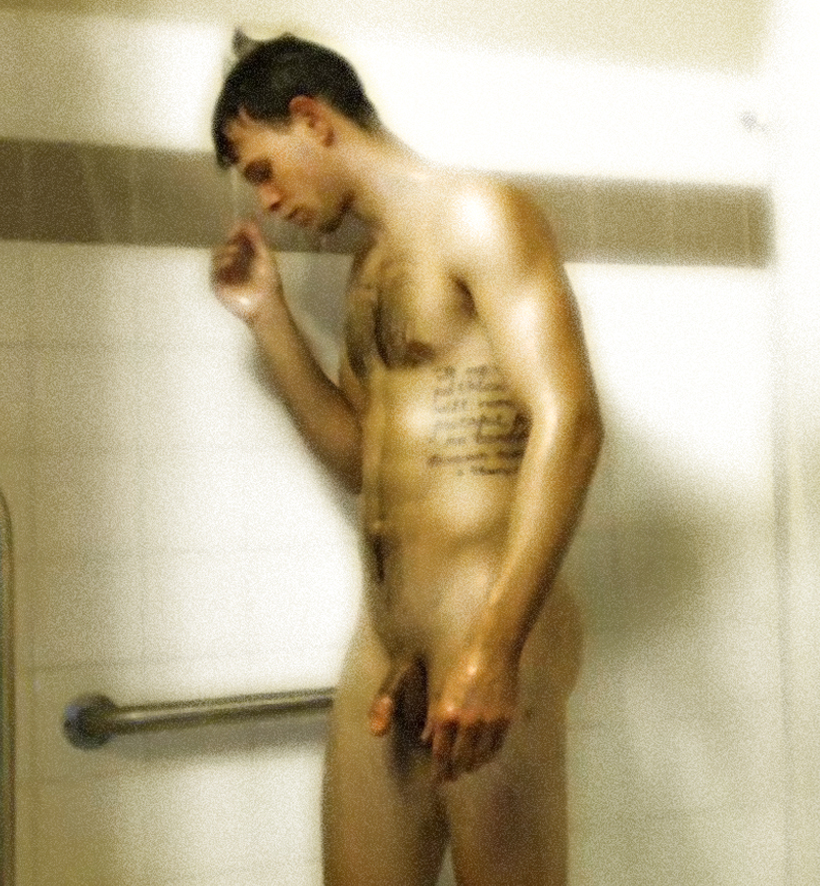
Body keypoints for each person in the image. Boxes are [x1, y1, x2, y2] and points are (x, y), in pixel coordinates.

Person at [209, 31, 603, 886]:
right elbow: (359, 458)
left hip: (489, 618)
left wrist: (495, 647)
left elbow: (570, 421)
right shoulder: (370, 266)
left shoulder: (480, 214)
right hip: (388, 636)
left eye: (264, 169)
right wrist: (269, 317)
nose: (268, 200)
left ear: (312, 120)